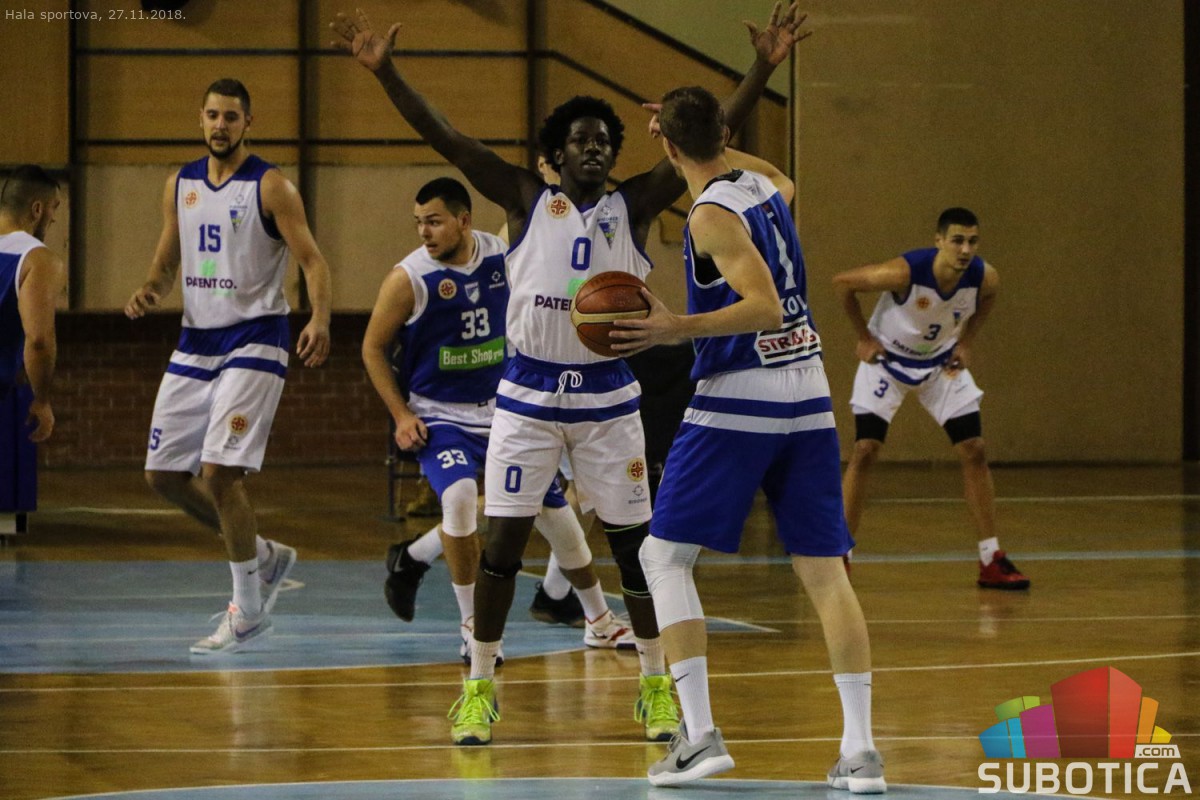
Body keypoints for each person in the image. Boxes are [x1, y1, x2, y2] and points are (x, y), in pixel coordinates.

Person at [333, 3, 808, 747]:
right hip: (526, 396)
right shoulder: (527, 199)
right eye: (581, 140)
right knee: (500, 549)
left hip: (608, 400)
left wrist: (763, 67)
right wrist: (386, 72)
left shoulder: (636, 203)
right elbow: (447, 137)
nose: (594, 149)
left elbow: (708, 137)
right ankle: (479, 687)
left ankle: (654, 684)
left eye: (604, 141)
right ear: (557, 152)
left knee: (637, 551)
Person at [612, 86, 885, 793]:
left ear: (666, 145)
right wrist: (710, 135)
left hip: (742, 392)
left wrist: (675, 328)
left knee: (663, 558)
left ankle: (699, 735)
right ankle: (861, 751)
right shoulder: (762, 189)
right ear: (724, 137)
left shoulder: (708, 215)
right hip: (809, 393)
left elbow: (763, 307)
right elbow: (783, 178)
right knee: (824, 570)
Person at [362, 177, 635, 658]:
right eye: (419, 223)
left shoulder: (502, 257)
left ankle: (598, 620)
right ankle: (472, 625)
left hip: (506, 410)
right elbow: (372, 347)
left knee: (559, 518)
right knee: (461, 498)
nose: (424, 232)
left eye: (434, 221)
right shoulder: (408, 278)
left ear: (463, 220)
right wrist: (401, 415)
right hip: (440, 415)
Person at [125, 78, 333, 654]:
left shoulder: (270, 186)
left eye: (231, 116)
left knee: (219, 472)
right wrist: (149, 290)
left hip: (256, 338)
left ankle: (247, 612)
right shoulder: (181, 184)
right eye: (213, 115)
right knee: (163, 476)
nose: (221, 125)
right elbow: (166, 263)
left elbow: (313, 260)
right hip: (195, 342)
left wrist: (319, 319)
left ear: (248, 123)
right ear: (200, 118)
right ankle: (263, 556)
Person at [831, 208, 1030, 591]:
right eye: (957, 241)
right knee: (865, 449)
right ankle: (840, 554)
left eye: (972, 241)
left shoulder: (983, 276)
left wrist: (966, 342)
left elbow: (990, 297)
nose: (965, 249)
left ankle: (991, 558)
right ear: (939, 241)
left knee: (974, 448)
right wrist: (864, 337)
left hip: (939, 365)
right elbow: (843, 283)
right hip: (887, 362)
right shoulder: (905, 273)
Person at [0, 166, 66, 443]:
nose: (54, 217)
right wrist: (41, 398)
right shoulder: (36, 258)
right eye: (54, 207)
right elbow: (38, 340)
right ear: (37, 209)